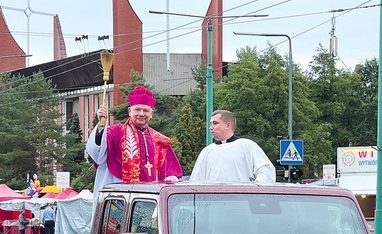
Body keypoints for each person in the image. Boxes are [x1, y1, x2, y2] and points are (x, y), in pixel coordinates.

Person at [86, 86, 183, 218]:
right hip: (116, 201)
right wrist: (101, 126)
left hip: (147, 205)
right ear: (129, 111)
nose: (141, 114)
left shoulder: (160, 141)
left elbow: (171, 174)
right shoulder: (113, 133)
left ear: (151, 113)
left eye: (145, 110)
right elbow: (97, 154)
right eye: (137, 109)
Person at [190, 110, 276, 183]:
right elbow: (196, 180)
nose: (211, 127)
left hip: (242, 199)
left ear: (228, 125)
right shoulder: (207, 151)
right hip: (213, 201)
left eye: (215, 123)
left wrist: (257, 185)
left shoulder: (247, 146)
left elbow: (266, 170)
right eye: (211, 124)